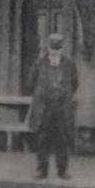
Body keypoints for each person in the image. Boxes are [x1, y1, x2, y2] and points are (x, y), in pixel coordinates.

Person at [26, 32, 77, 179]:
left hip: (61, 108)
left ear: (61, 50)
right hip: (44, 108)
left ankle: (62, 170)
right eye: (52, 50)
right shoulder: (39, 64)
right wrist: (40, 95)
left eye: (58, 50)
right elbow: (30, 83)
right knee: (43, 140)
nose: (55, 53)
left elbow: (75, 83)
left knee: (62, 140)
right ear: (48, 48)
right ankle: (42, 170)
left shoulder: (68, 65)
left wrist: (63, 96)